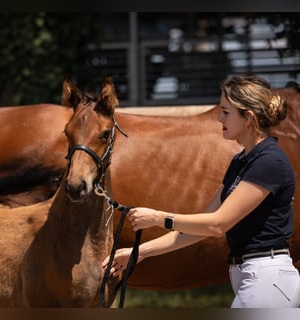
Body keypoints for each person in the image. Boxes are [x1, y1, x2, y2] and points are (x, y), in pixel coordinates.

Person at [102, 74, 300, 308]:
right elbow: (199, 229)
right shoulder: (242, 161)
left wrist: (157, 218)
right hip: (252, 277)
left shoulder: (268, 162)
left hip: (268, 279)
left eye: (226, 112)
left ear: (248, 118)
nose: (219, 117)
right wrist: (139, 252)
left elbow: (217, 225)